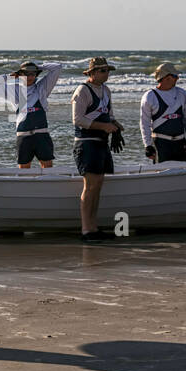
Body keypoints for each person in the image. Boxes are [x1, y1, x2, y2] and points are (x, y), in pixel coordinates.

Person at [71, 56, 122, 241]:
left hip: (101, 143)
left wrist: (116, 126)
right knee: (90, 186)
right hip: (86, 143)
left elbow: (109, 115)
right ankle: (86, 230)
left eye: (107, 70)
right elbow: (77, 119)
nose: (106, 74)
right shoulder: (82, 90)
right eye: (102, 70)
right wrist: (104, 127)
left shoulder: (106, 90)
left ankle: (94, 227)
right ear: (91, 73)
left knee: (98, 185)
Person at [0, 60, 63, 168]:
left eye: (33, 74)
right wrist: (9, 77)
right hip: (23, 137)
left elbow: (57, 67)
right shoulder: (14, 90)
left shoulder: (42, 88)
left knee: (48, 169)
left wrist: (37, 66)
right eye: (26, 73)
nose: (30, 76)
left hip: (41, 135)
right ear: (20, 74)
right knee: (24, 172)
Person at [140, 62, 186, 163]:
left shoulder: (182, 94)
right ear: (166, 77)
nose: (177, 78)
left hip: (181, 144)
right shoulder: (149, 96)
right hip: (161, 145)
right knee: (163, 176)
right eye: (175, 76)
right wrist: (147, 145)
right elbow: (144, 123)